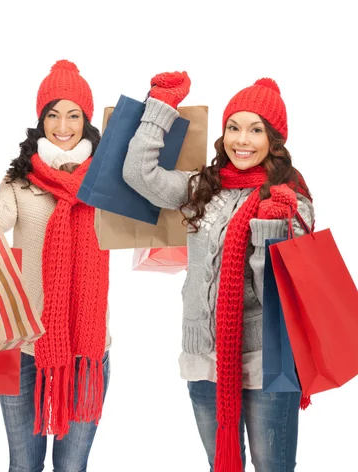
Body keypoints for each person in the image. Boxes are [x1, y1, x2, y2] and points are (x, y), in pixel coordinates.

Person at [123, 73, 314, 472]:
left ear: (274, 140)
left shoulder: (290, 198)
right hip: (205, 356)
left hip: (269, 357)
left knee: (272, 467)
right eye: (233, 127)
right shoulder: (205, 187)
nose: (242, 140)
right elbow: (138, 175)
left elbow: (278, 296)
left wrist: (270, 229)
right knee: (220, 465)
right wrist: (160, 107)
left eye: (255, 130)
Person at [0, 59, 110, 472]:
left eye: (73, 115)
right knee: (23, 465)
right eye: (53, 114)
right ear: (40, 120)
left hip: (87, 349)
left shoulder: (105, 183)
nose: (62, 125)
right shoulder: (23, 181)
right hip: (22, 345)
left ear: (86, 120)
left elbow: (144, 210)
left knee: (72, 468)